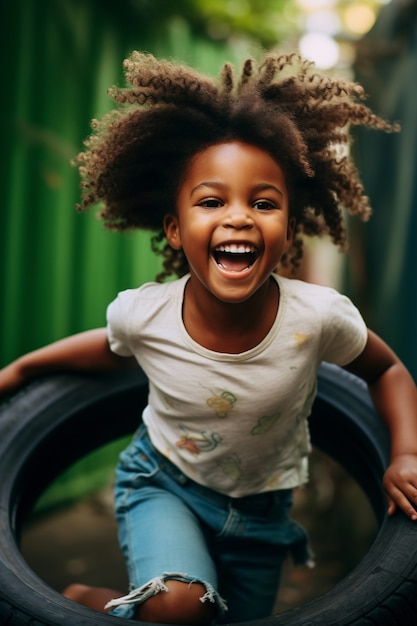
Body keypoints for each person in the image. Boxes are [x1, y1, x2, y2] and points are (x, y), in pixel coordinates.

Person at [1, 51, 417, 624]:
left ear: (289, 227)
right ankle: (86, 604)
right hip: (162, 485)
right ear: (175, 227)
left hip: (265, 513)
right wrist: (20, 372)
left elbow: (387, 369)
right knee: (179, 608)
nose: (240, 217)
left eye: (263, 203)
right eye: (212, 201)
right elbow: (105, 346)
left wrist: (406, 453)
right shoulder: (147, 315)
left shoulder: (318, 317)